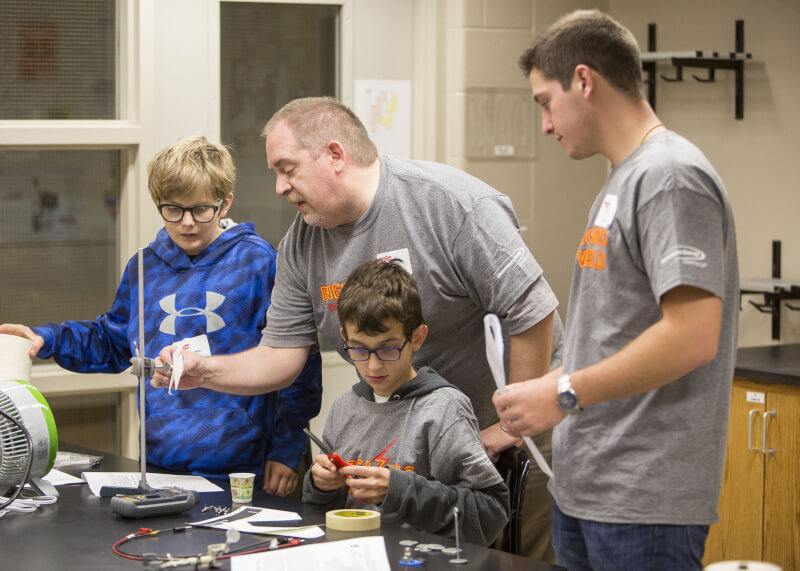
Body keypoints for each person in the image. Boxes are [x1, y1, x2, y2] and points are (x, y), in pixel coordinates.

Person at [151, 96, 563, 561]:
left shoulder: (449, 204)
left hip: (510, 429)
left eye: (287, 169)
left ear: (334, 155)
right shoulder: (304, 241)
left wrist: (510, 426)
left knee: (511, 559)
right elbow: (280, 356)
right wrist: (202, 371)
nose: (279, 188)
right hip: (411, 441)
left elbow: (532, 310)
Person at [493, 10, 739, 570]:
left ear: (584, 81)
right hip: (586, 491)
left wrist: (563, 393)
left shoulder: (670, 176)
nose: (546, 125)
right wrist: (545, 389)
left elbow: (693, 335)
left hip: (642, 501)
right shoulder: (621, 181)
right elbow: (612, 338)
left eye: (544, 102)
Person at [0, 135, 322, 495]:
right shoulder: (143, 267)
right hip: (160, 466)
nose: (187, 223)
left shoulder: (258, 264)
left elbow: (297, 362)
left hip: (244, 470)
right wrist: (48, 339)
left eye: (201, 209)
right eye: (173, 209)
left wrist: (287, 448)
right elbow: (113, 341)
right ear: (159, 205)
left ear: (225, 203)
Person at [303, 259, 509, 546]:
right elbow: (321, 513)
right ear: (344, 338)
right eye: (359, 349)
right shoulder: (344, 408)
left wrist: (398, 491)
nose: (373, 366)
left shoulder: (443, 409)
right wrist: (321, 486)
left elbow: (490, 515)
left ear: (417, 338)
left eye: (388, 348)